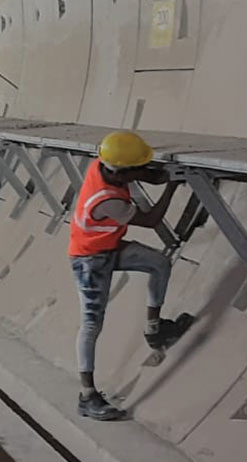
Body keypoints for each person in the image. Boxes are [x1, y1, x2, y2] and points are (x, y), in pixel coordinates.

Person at [69, 131, 184, 421]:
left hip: (107, 247)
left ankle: (155, 329)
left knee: (159, 263)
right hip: (89, 261)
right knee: (91, 324)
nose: (142, 171)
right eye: (137, 168)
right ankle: (87, 397)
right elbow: (151, 220)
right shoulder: (106, 200)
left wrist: (161, 173)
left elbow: (144, 174)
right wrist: (172, 185)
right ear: (122, 172)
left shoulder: (104, 164)